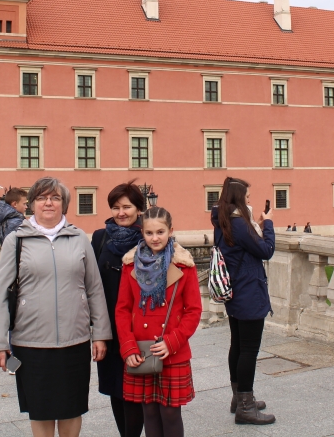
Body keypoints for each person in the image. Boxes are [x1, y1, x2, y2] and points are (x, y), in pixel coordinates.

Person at [0, 177, 111, 437]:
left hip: (74, 340)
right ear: (32, 203)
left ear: (64, 204)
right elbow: (0, 294)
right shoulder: (16, 240)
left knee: (72, 408)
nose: (48, 203)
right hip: (31, 342)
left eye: (55, 198)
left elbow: (94, 289)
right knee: (40, 409)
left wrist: (101, 333)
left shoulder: (79, 238)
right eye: (42, 198)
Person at [117, 206, 201, 437]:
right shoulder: (130, 265)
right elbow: (123, 309)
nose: (155, 238)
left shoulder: (184, 265)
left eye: (160, 232)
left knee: (171, 413)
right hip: (141, 350)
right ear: (142, 233)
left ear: (170, 231)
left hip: (171, 350)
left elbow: (193, 310)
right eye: (149, 233)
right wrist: (128, 346)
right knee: (150, 411)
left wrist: (172, 341)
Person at [212, 177, 276, 425]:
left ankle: (238, 399)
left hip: (235, 291)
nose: (250, 201)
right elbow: (266, 250)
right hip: (248, 292)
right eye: (247, 197)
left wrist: (254, 226)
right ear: (239, 199)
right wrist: (268, 224)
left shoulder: (223, 221)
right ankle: (246, 407)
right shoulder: (239, 224)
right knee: (248, 349)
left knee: (238, 345)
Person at [91, 181, 147, 437]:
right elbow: (91, 283)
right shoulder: (100, 238)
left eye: (127, 207)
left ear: (139, 209)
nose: (121, 213)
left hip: (140, 329)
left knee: (137, 390)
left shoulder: (150, 238)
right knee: (116, 389)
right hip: (109, 327)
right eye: (116, 207)